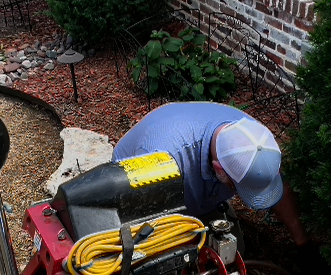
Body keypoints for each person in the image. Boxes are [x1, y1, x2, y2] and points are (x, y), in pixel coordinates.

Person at [112, 102, 313, 258]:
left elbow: (275, 185)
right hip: (142, 194)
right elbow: (147, 216)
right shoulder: (163, 160)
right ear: (218, 169)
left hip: (194, 188)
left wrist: (304, 245)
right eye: (237, 186)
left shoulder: (255, 139)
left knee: (233, 253)